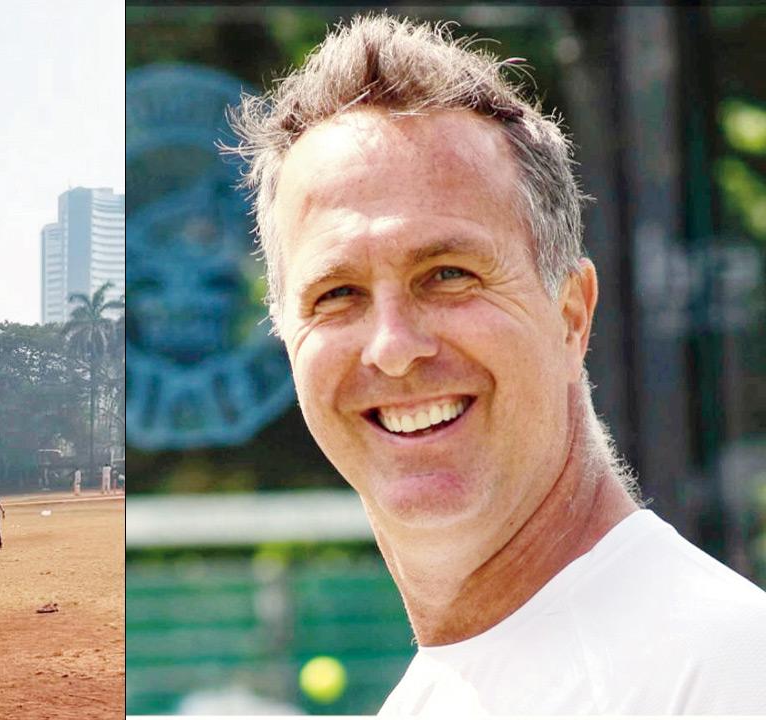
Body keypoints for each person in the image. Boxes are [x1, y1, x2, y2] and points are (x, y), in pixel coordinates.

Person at [227, 14, 766, 713]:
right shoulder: (432, 696)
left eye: (448, 275)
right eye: (337, 294)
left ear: (572, 315)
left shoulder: (726, 670)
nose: (393, 346)